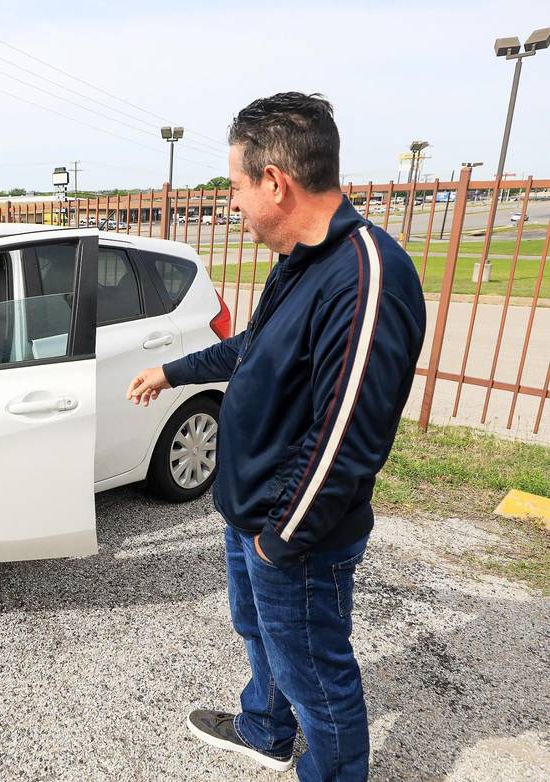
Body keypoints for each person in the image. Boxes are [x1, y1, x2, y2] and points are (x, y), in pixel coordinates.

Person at [127, 93, 426, 781]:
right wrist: (170, 371)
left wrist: (277, 542)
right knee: (260, 636)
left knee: (317, 674)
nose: (230, 202)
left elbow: (347, 442)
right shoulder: (299, 259)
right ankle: (264, 729)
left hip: (296, 536)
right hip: (252, 513)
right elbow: (251, 351)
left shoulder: (365, 276)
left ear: (274, 182)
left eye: (234, 185)